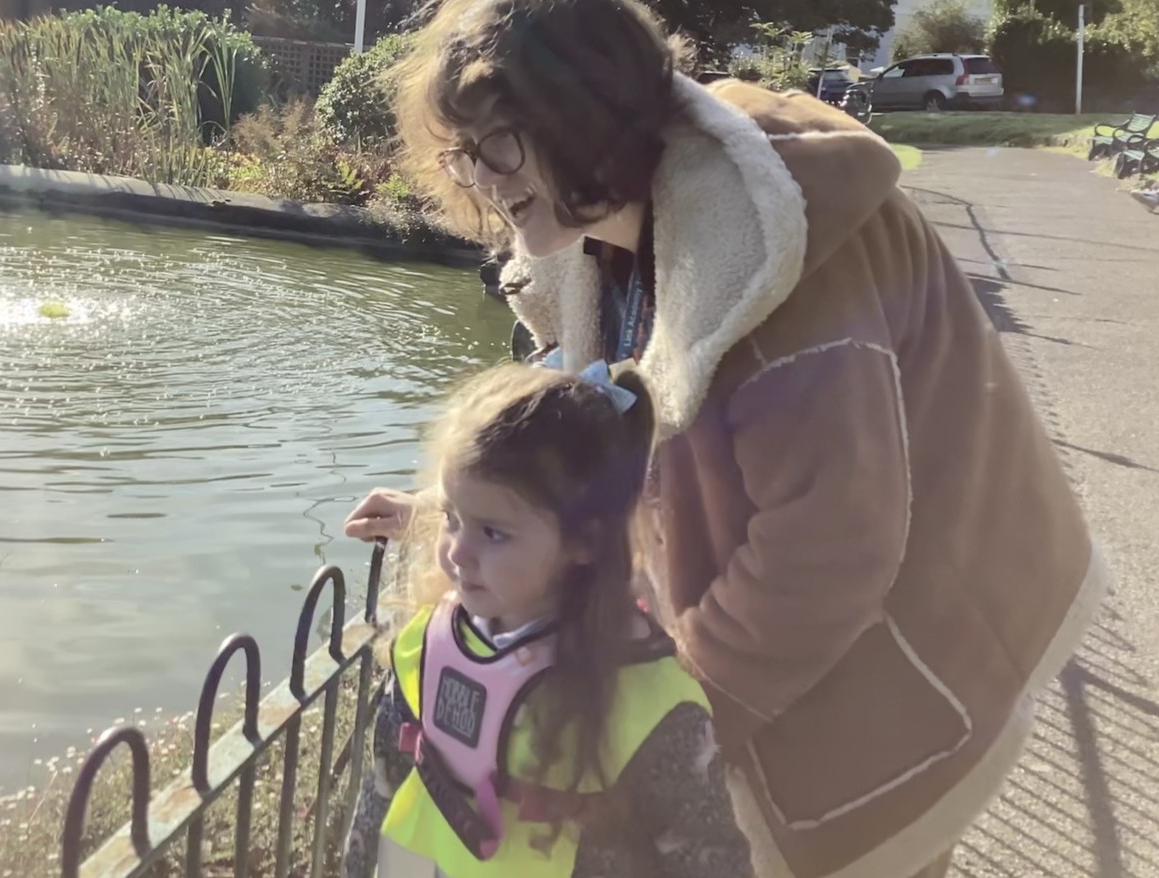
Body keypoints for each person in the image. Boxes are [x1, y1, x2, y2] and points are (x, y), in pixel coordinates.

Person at [345, 0, 1109, 875]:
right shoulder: (607, 231)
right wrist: (459, 513)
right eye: (465, 151)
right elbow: (596, 420)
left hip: (935, 629)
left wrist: (669, 726)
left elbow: (828, 549)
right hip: (841, 616)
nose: (480, 175)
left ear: (584, 113)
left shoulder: (767, 236)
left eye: (501, 138)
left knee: (872, 843)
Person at [342, 363, 752, 877]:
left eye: (492, 532)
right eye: (451, 518)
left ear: (585, 541)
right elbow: (380, 789)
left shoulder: (655, 710)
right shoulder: (422, 648)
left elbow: (711, 863)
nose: (456, 554)